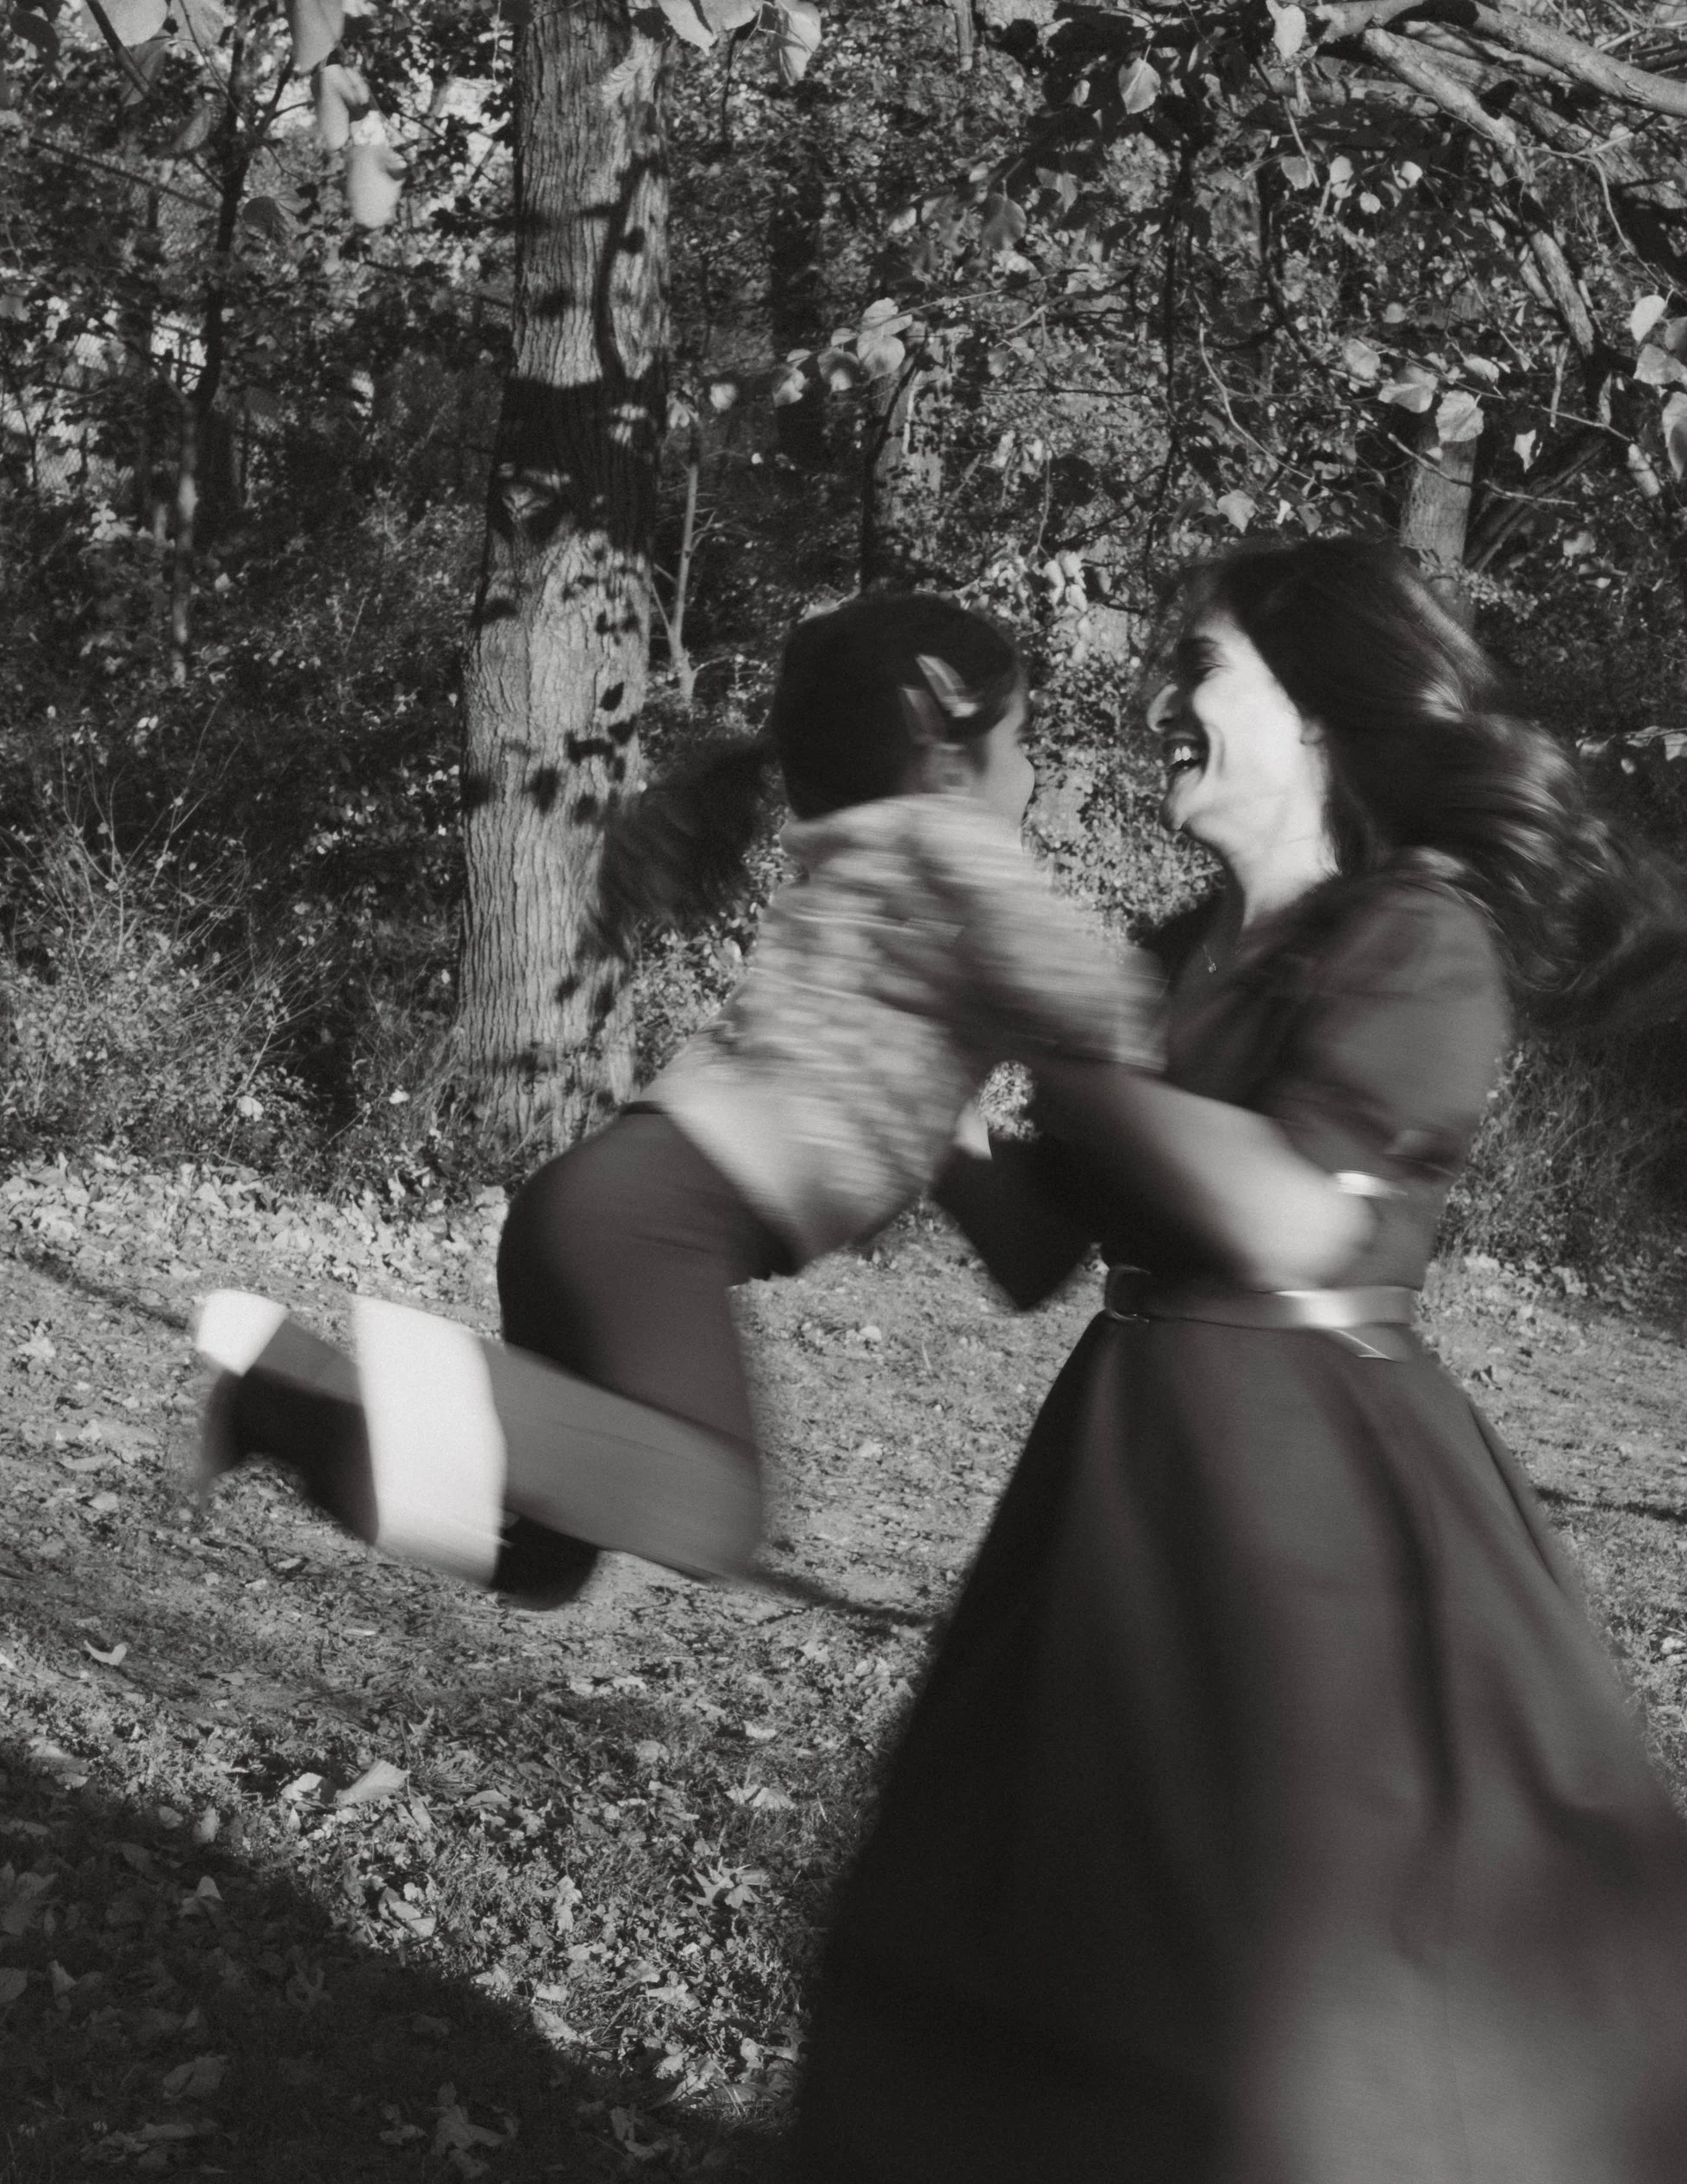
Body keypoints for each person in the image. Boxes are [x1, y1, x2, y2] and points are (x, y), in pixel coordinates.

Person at [759, 536, 1687, 2184]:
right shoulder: (1185, 947)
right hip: (1132, 1483)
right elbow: (1036, 1251)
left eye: (1205, 669)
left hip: (1323, 1517)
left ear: (1324, 716)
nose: (1165, 696)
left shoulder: (1417, 938)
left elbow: (1284, 1211)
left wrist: (1065, 1080)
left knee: (1341, 2019)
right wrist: (935, 1103)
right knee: (1083, 1949)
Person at [190, 595, 1161, 1604]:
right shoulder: (949, 846)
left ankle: (291, 1416)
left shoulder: (865, 876)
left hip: (608, 1205)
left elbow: (940, 1111)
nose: (1035, 772)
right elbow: (1094, 1000)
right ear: (939, 728)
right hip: (660, 1219)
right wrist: (1168, 1027)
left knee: (543, 1559)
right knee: (713, 1512)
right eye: (1024, 738)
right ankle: (316, 1387)